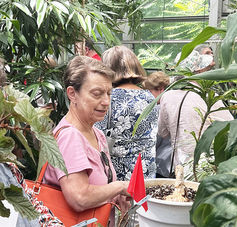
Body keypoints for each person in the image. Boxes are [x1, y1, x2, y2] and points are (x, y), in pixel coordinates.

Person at [43, 56, 131, 226]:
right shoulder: (70, 137)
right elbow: (80, 197)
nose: (106, 102)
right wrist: (119, 187)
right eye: (97, 94)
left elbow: (98, 184)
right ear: (72, 93)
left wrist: (114, 195)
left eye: (108, 93)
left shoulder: (96, 133)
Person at [158, 47, 233, 177]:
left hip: (178, 168)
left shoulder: (167, 96)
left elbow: (163, 132)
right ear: (198, 71)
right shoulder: (209, 97)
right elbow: (232, 127)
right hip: (205, 167)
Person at [95, 46, 158, 181]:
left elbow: (97, 135)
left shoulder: (109, 98)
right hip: (146, 169)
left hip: (119, 173)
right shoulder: (150, 97)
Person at [142, 71, 172, 177]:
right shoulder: (173, 104)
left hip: (163, 163)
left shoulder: (159, 109)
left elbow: (156, 138)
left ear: (161, 89)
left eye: (149, 91)